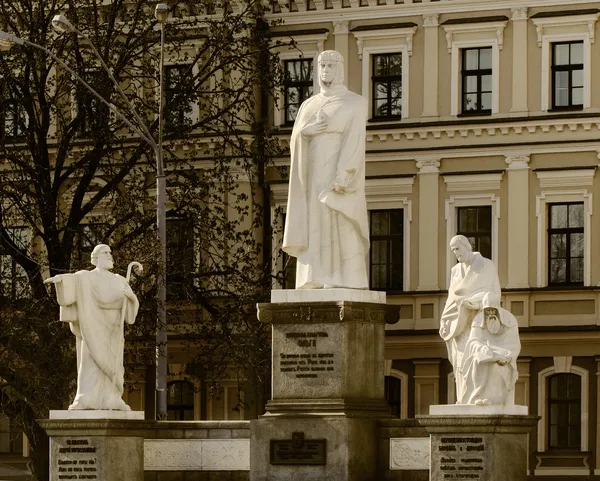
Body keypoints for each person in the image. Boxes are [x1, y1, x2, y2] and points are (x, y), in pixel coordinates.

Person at [282, 50, 369, 289]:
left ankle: (342, 278)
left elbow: (354, 141)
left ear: (339, 69)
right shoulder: (308, 105)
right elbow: (296, 140)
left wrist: (344, 175)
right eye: (322, 66)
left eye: (330, 66)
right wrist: (305, 133)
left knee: (339, 220)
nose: (325, 71)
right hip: (312, 174)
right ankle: (315, 277)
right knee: (315, 222)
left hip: (337, 173)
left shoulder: (355, 102)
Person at [44, 244, 139, 410]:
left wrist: (131, 297)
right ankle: (84, 398)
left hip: (113, 329)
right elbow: (71, 280)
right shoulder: (86, 277)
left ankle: (113, 398)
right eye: (105, 252)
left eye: (110, 252)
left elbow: (130, 314)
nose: (110, 255)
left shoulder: (119, 280)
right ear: (95, 258)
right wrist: (60, 280)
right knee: (89, 363)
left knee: (113, 364)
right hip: (91, 326)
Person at [439, 235, 501, 402]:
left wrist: (472, 302)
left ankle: (478, 396)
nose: (456, 253)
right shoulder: (455, 271)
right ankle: (464, 398)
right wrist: (445, 319)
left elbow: (493, 294)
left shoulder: (485, 265)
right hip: (458, 322)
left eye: (458, 249)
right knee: (460, 362)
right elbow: (451, 297)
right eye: (453, 251)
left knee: (476, 358)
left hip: (477, 319)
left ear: (467, 246)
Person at [460, 301, 520, 405]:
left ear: (498, 311)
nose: (491, 314)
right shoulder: (478, 320)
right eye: (488, 311)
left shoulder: (510, 320)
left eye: (493, 311)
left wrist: (508, 356)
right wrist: (481, 348)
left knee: (497, 367)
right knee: (477, 362)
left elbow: (514, 343)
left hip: (504, 354)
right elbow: (473, 340)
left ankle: (495, 400)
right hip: (485, 353)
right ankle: (477, 396)